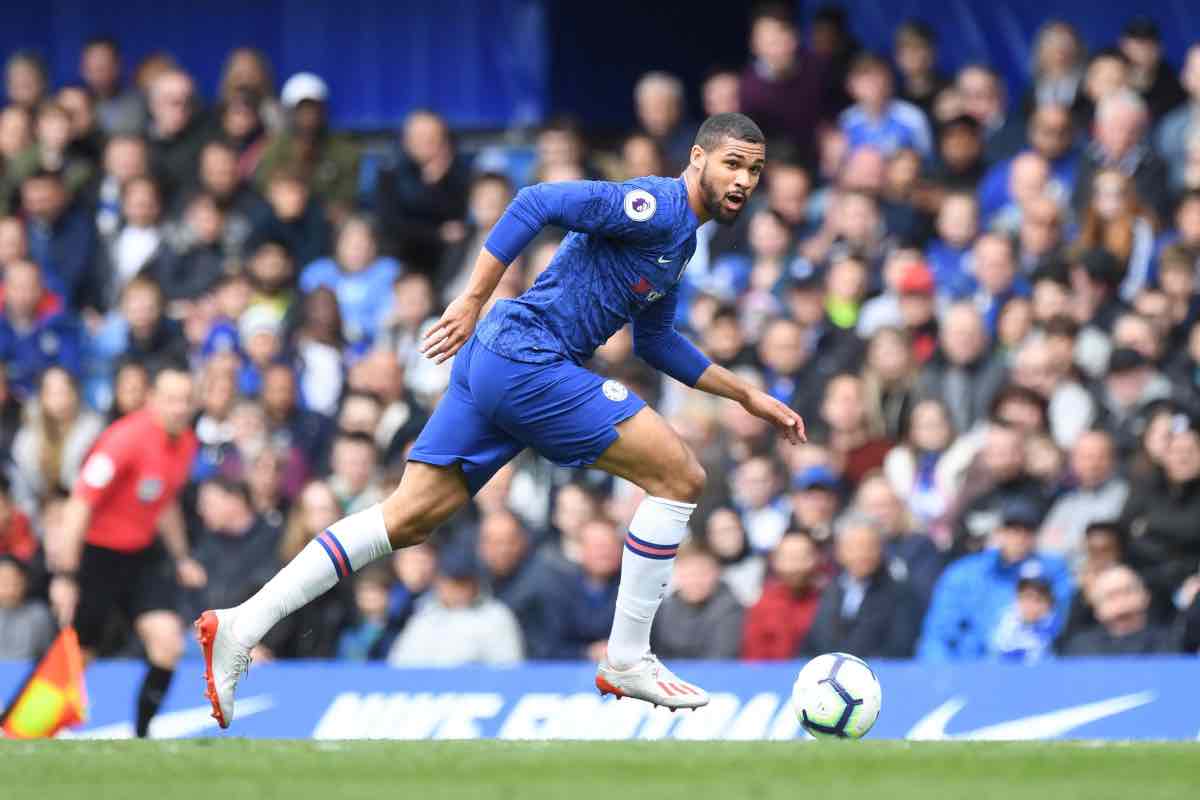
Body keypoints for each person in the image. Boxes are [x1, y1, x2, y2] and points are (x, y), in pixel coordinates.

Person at [198, 113, 804, 725]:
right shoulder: (655, 206)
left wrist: (747, 395)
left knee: (406, 518)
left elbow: (655, 342)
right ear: (697, 158)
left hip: (503, 359)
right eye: (733, 163)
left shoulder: (681, 242)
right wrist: (471, 295)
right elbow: (536, 199)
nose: (744, 179)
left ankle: (240, 625)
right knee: (681, 477)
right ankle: (626, 657)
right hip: (527, 356)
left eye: (754, 169)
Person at [47, 364, 202, 737]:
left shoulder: (186, 444)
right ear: (152, 400)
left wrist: (181, 557)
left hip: (141, 555)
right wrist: (65, 576)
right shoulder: (124, 440)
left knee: (167, 642)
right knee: (77, 656)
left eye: (186, 400)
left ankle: (142, 738)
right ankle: (25, 731)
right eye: (171, 400)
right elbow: (80, 503)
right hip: (98, 556)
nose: (180, 408)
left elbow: (163, 503)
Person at [919, 501, 1072, 661]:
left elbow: (1062, 622)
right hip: (974, 672)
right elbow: (937, 636)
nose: (1019, 538)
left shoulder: (1052, 571)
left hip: (1034, 667)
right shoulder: (966, 573)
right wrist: (945, 680)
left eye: (1027, 530)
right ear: (999, 532)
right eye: (1012, 529)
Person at [802, 514, 922, 658]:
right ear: (839, 551)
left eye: (869, 547)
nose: (861, 554)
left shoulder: (900, 594)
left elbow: (899, 647)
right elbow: (813, 643)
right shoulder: (829, 591)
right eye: (853, 547)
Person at [387, 545, 523, 666]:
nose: (454, 589)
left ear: (474, 583)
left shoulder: (495, 616)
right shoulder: (425, 613)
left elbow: (509, 670)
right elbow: (398, 663)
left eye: (461, 582)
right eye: (449, 581)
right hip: (423, 691)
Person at [650, 539, 744, 660]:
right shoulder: (662, 609)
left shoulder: (730, 608)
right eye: (689, 573)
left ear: (716, 573)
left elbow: (721, 659)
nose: (696, 580)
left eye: (703, 573)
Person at [741, 529, 824, 660]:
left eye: (802, 558)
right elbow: (753, 659)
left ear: (816, 559)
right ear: (775, 561)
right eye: (788, 558)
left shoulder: (829, 600)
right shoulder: (763, 605)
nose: (795, 566)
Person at [1060, 565, 1179, 655]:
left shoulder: (1172, 641)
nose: (1121, 601)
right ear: (1096, 609)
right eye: (1111, 596)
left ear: (1146, 596)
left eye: (1127, 591)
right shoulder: (1080, 648)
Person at [0, 555, 55, 661]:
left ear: (24, 581)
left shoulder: (39, 615)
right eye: (3, 581)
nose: (9, 587)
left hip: (32, 675)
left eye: (14, 580)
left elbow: (50, 657)